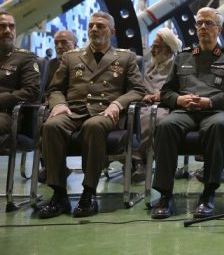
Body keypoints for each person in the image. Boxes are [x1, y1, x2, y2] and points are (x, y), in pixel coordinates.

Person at [38, 12, 145, 219]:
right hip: (73, 111)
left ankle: (88, 193)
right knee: (51, 126)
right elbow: (55, 89)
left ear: (112, 32)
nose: (94, 29)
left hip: (105, 112)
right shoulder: (71, 57)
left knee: (93, 126)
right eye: (91, 26)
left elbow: (137, 90)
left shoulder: (126, 57)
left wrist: (117, 104)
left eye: (100, 26)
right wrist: (59, 104)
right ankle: (59, 195)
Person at [149, 7, 224, 220]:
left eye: (208, 23)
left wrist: (210, 101)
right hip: (186, 111)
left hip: (216, 110)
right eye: (199, 23)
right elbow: (166, 92)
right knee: (165, 126)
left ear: (218, 29)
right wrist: (179, 100)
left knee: (218, 126)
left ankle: (208, 193)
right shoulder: (183, 57)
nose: (203, 27)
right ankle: (165, 195)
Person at [131, 27, 182, 183]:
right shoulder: (148, 65)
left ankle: (140, 161)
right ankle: (136, 161)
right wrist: (144, 95)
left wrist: (161, 96)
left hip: (166, 106)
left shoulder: (178, 66)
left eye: (156, 47)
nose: (152, 50)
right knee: (133, 118)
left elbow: (182, 89)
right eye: (152, 46)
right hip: (145, 104)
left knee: (154, 119)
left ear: (168, 50)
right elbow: (138, 87)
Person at [38, 29, 78, 183]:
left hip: (77, 106)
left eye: (64, 42)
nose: (59, 46)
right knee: (42, 119)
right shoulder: (49, 65)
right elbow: (43, 90)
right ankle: (51, 166)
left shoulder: (85, 63)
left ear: (75, 45)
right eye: (56, 43)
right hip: (53, 106)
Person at [0, 10, 40, 145]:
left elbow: (31, 91)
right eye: (2, 26)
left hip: (7, 114)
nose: (7, 30)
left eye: (11, 26)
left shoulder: (25, 58)